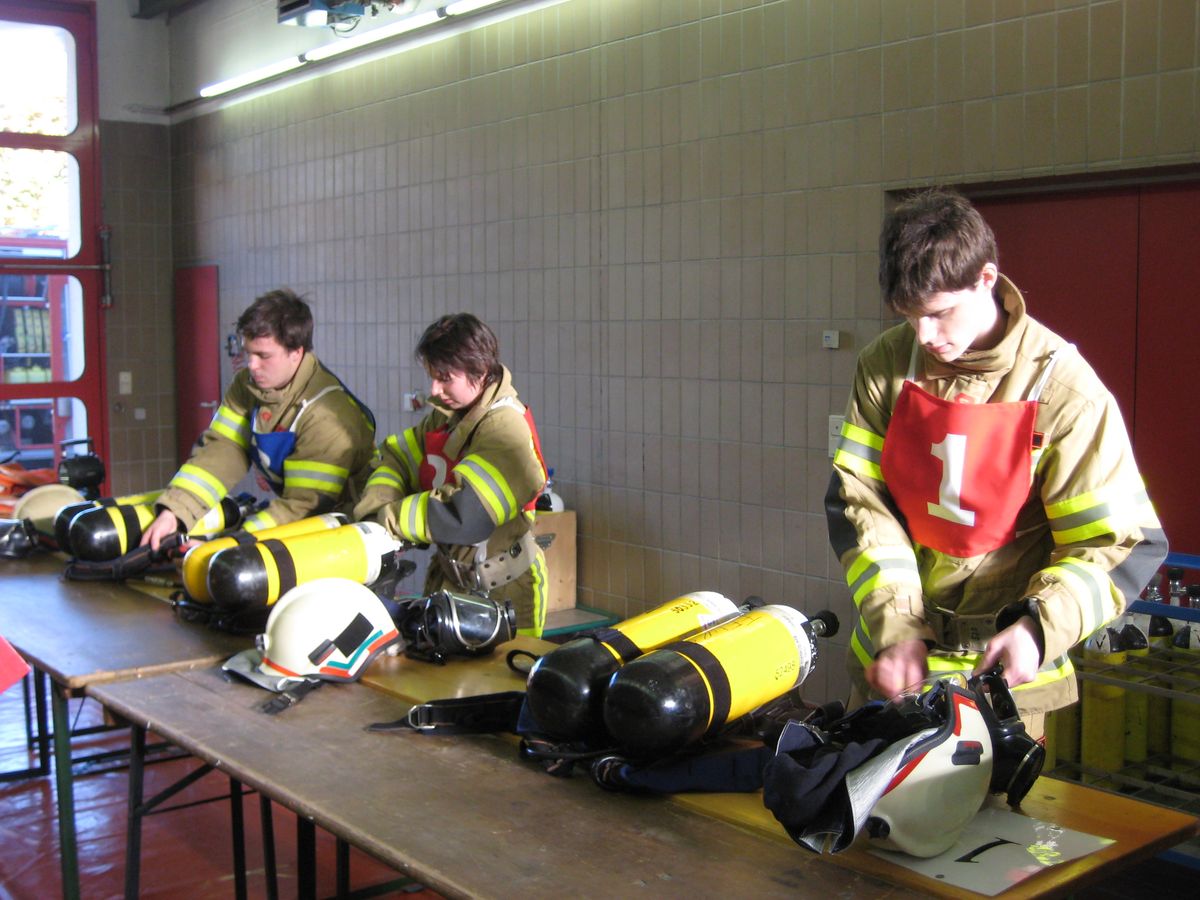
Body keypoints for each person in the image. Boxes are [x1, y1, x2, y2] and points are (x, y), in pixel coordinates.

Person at [826, 188, 1167, 731]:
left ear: (986, 279)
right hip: (891, 669)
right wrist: (899, 626)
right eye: (909, 317)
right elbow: (859, 501)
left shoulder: (1065, 391)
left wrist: (1037, 629)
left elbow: (1117, 542)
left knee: (998, 820)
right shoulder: (886, 365)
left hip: (1006, 688)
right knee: (856, 812)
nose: (924, 336)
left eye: (939, 314)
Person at [354, 313, 549, 635]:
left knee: (498, 685)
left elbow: (465, 515)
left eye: (445, 378)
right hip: (449, 583)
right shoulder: (448, 418)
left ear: (481, 369)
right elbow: (395, 459)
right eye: (432, 376)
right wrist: (375, 504)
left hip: (505, 594)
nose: (434, 389)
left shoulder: (505, 428)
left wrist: (386, 520)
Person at [141, 289, 376, 549]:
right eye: (248, 353)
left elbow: (302, 507)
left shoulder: (328, 415)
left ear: (296, 353)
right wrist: (175, 511)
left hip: (344, 535)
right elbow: (223, 448)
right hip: (297, 522)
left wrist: (226, 545)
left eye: (263, 356)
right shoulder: (247, 386)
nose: (251, 366)